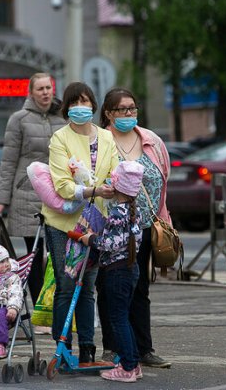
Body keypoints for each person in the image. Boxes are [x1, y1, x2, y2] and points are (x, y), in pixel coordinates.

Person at [41, 81, 119, 365]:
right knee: (65, 283)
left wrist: (111, 185)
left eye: (85, 102)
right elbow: (62, 185)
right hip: (64, 222)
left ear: (93, 105)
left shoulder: (106, 138)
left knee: (87, 286)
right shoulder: (59, 138)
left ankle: (87, 347)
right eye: (74, 103)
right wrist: (93, 190)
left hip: (96, 220)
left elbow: (113, 172)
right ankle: (63, 348)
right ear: (66, 108)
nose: (80, 108)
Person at [96, 87, 172, 368]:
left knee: (140, 288)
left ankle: (144, 348)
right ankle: (111, 347)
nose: (128, 114)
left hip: (145, 227)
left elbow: (164, 183)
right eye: (122, 109)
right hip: (111, 228)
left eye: (132, 108)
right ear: (108, 113)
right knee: (109, 288)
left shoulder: (151, 140)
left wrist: (164, 221)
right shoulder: (102, 141)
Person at [0, 73, 65, 314]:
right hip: (27, 194)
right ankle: (41, 312)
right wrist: (1, 201)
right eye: (40, 88)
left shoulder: (63, 118)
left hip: (57, 192)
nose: (45, 92)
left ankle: (58, 309)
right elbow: (9, 161)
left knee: (58, 255)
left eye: (48, 88)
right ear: (31, 92)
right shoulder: (19, 120)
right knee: (34, 255)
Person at [78, 160, 144, 382]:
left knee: (117, 320)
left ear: (117, 187)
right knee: (125, 317)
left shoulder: (117, 212)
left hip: (116, 272)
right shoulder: (136, 211)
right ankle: (133, 364)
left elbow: (111, 243)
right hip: (131, 269)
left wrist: (91, 238)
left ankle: (126, 368)